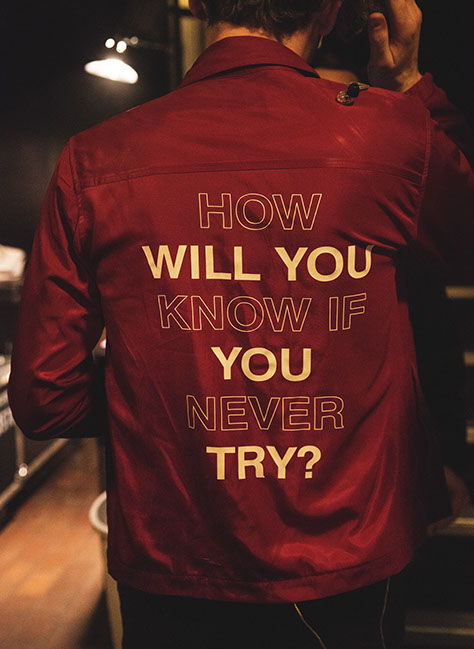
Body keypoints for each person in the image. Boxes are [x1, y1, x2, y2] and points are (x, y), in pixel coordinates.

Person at [8, 0, 474, 647]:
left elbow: (44, 396)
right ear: (329, 9)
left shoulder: (95, 158)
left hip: (175, 561)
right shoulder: (394, 134)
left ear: (198, 2)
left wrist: (162, 401)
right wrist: (408, 84)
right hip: (348, 559)